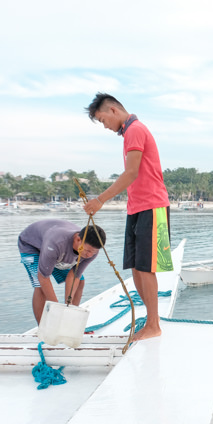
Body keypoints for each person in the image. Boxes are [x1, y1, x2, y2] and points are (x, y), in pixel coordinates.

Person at [83, 93, 173, 341]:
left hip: (152, 206)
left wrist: (100, 199)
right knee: (135, 267)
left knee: (146, 267)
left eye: (102, 120)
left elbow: (131, 172)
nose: (105, 126)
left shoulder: (135, 130)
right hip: (136, 208)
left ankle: (154, 325)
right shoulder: (128, 133)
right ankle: (150, 320)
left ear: (113, 110)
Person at [18, 219, 106, 324]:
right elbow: (43, 277)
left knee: (80, 281)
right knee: (40, 285)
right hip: (32, 245)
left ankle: (70, 319)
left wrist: (67, 304)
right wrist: (58, 309)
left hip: (55, 251)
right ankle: (42, 328)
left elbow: (74, 276)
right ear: (78, 239)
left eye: (94, 252)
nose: (89, 255)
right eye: (87, 251)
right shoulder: (56, 243)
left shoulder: (91, 252)